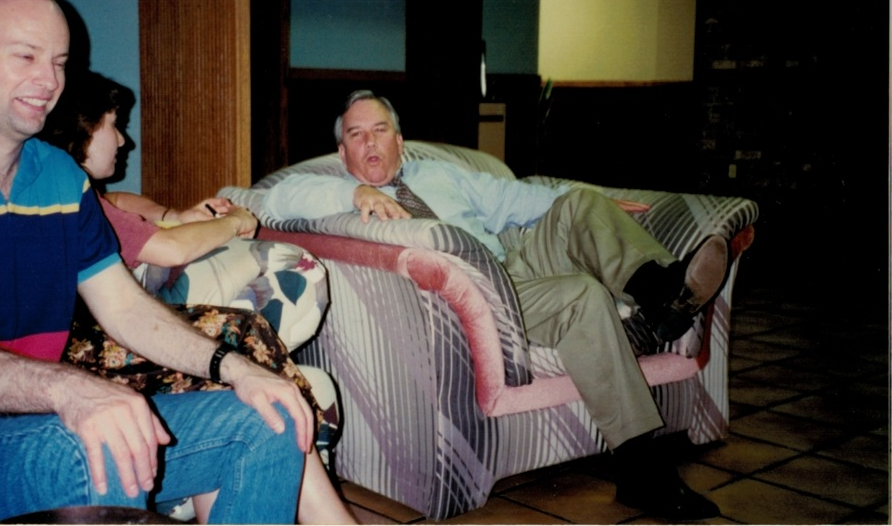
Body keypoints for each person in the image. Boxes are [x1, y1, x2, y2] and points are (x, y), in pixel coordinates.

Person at [0, 0, 309, 525]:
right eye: (26, 56)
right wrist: (70, 390)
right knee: (102, 443)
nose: (49, 81)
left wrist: (235, 368)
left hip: (34, 423)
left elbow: (126, 308)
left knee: (269, 419)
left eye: (59, 62)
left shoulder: (61, 177)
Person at [261, 89, 732, 521]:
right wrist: (353, 192)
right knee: (584, 296)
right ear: (342, 153)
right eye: (356, 134)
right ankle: (641, 468)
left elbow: (517, 199)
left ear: (399, 141)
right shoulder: (334, 196)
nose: (370, 142)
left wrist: (602, 204)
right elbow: (273, 199)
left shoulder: (438, 174)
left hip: (516, 263)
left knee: (580, 203)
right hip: (485, 300)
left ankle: (663, 294)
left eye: (380, 130)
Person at [40, 69, 355, 525]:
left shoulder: (91, 196)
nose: (124, 140)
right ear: (83, 127)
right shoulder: (69, 192)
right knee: (239, 332)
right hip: (81, 355)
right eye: (114, 125)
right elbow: (169, 248)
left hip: (100, 345)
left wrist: (179, 214)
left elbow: (129, 207)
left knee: (233, 356)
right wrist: (234, 222)